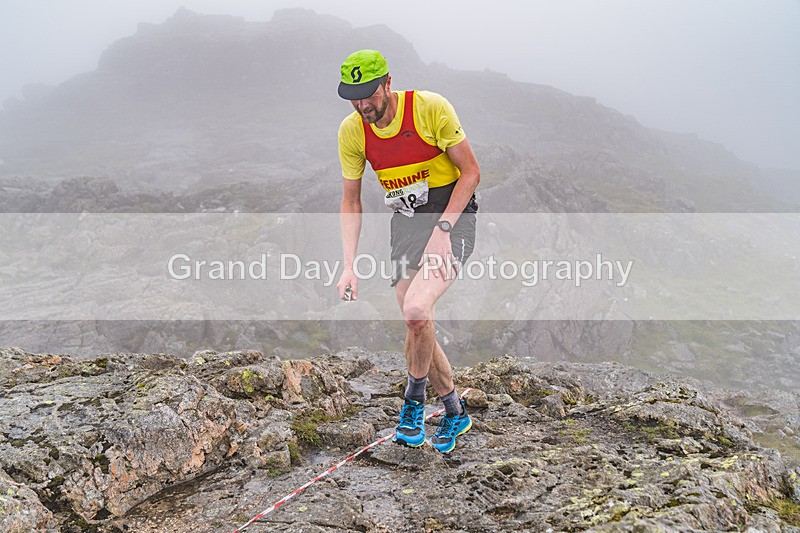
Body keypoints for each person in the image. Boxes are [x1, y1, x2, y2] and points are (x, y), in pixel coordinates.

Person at [335, 49, 480, 454]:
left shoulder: (430, 108)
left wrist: (443, 231)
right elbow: (351, 200)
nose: (363, 105)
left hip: (453, 217)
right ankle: (455, 412)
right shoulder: (352, 131)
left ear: (388, 84)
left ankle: (412, 404)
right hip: (406, 221)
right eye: (353, 97)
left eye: (369, 94)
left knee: (416, 310)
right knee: (417, 323)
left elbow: (471, 172)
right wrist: (349, 266)